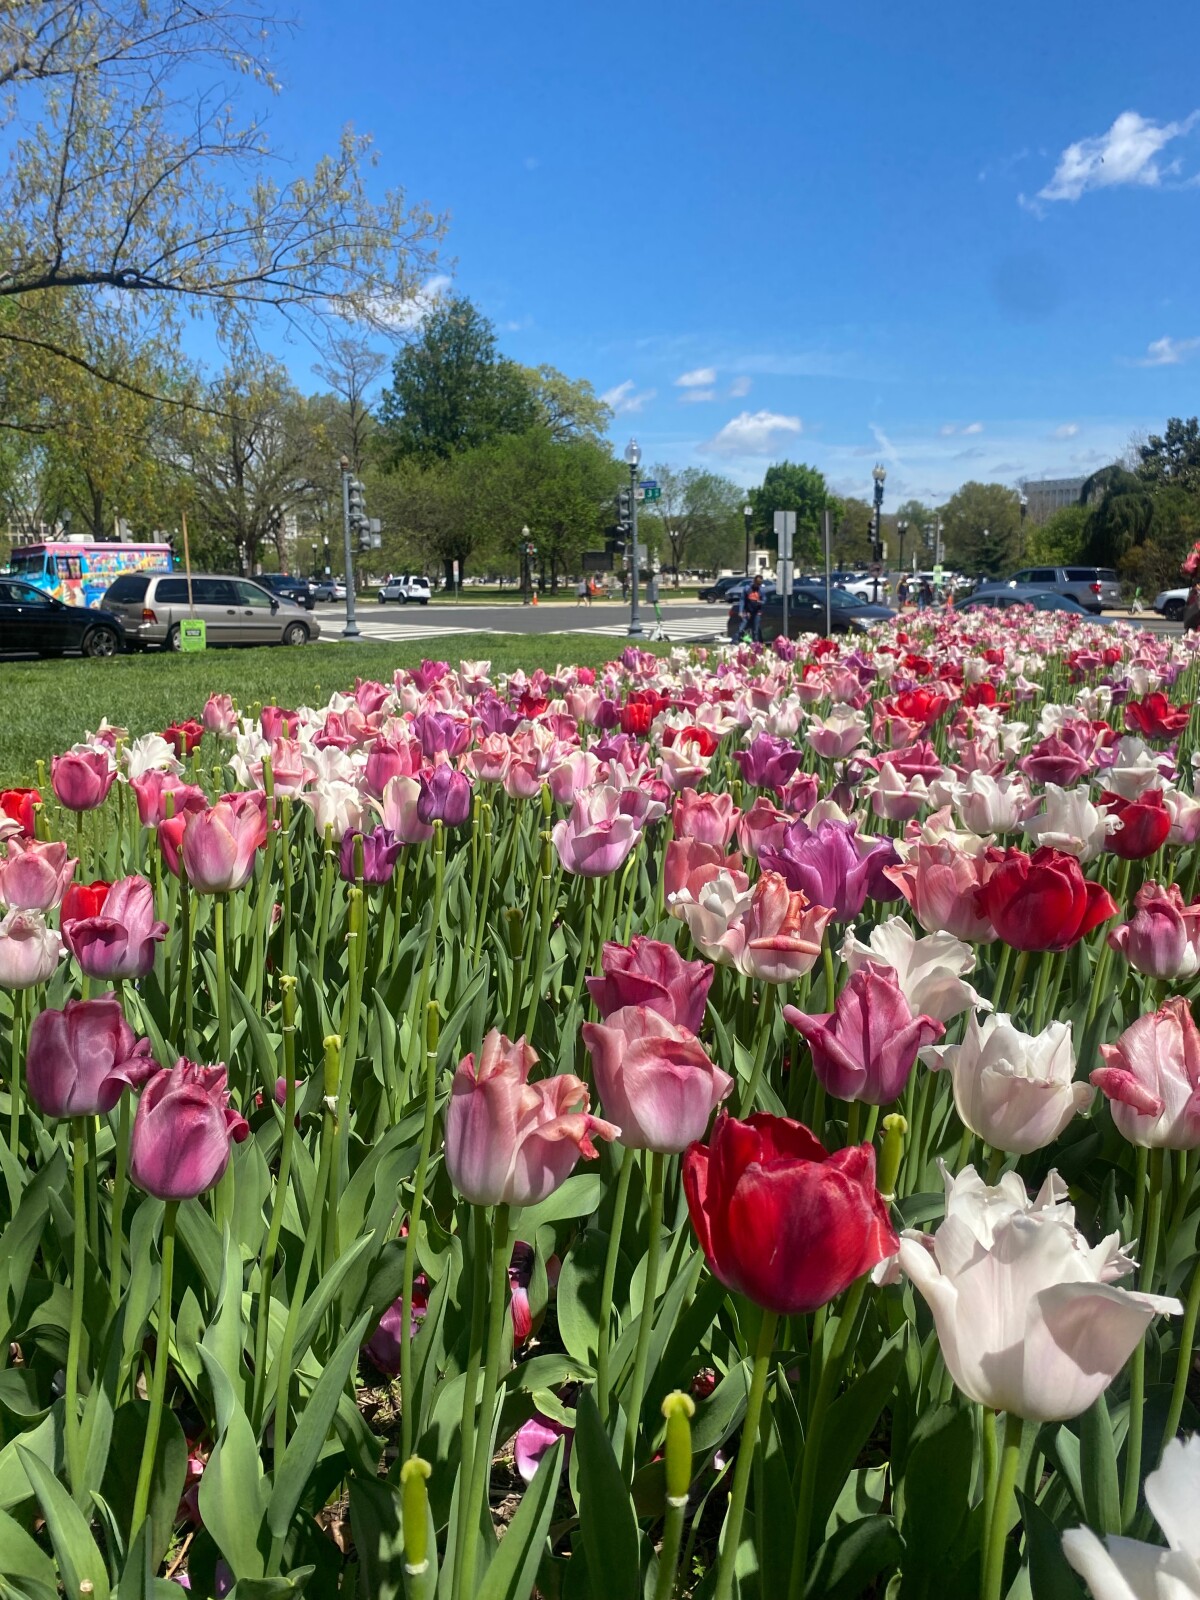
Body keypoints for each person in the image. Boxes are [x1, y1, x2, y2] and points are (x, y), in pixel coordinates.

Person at [743, 575, 765, 643]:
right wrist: (746, 611)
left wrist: (760, 602)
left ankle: (756, 643)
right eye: (757, 583)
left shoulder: (761, 590)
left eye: (760, 583)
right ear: (754, 581)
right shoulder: (748, 589)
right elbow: (744, 601)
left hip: (757, 612)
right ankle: (743, 642)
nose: (758, 585)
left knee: (756, 630)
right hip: (749, 612)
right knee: (744, 628)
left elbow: (764, 600)